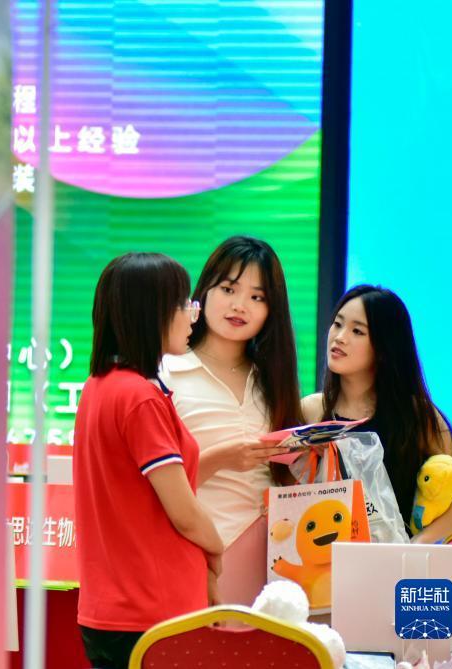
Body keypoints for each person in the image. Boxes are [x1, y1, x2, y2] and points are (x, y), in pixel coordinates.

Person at [74, 252, 223, 669]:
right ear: (151, 313)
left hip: (112, 610)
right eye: (183, 304)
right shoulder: (139, 398)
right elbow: (184, 513)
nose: (192, 316)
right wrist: (216, 548)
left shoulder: (98, 387)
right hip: (154, 613)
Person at [159, 236, 298, 604]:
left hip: (275, 566)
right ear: (204, 292)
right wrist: (221, 458)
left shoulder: (274, 382)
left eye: (257, 297)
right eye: (228, 289)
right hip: (194, 556)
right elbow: (151, 489)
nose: (240, 306)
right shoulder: (167, 373)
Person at [301, 285, 452, 543]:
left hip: (398, 562)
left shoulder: (415, 414)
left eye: (357, 331)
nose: (339, 337)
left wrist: (416, 545)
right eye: (337, 324)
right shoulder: (311, 410)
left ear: (384, 349)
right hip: (325, 561)